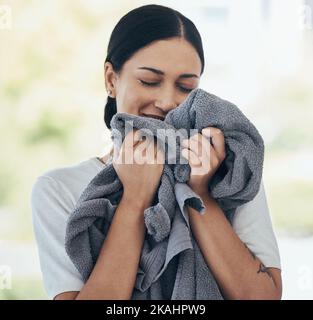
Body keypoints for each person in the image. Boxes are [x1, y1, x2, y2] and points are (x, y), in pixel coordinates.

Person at [31, 4, 282, 300]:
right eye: (149, 81)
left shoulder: (231, 173)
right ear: (111, 80)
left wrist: (200, 194)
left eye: (185, 87)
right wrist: (134, 201)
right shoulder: (59, 189)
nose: (167, 101)